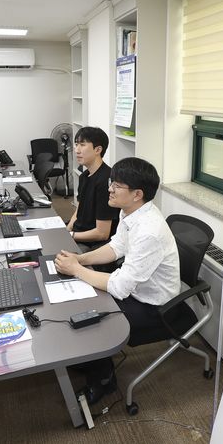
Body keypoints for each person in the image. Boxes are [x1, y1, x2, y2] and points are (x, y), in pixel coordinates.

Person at [55, 157, 179, 403]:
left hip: (154, 304)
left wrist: (76, 270)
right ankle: (92, 359)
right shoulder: (130, 212)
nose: (110, 189)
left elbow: (120, 287)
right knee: (85, 297)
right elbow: (116, 247)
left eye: (117, 186)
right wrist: (80, 260)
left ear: (137, 194)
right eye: (111, 183)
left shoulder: (149, 231)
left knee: (92, 317)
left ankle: (104, 381)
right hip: (136, 288)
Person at [65, 126, 119, 252]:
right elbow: (79, 209)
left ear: (98, 149)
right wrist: (67, 230)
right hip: (78, 234)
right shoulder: (84, 176)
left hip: (92, 244)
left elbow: (102, 233)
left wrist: (71, 235)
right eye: (76, 144)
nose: (77, 150)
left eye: (82, 145)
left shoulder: (106, 181)